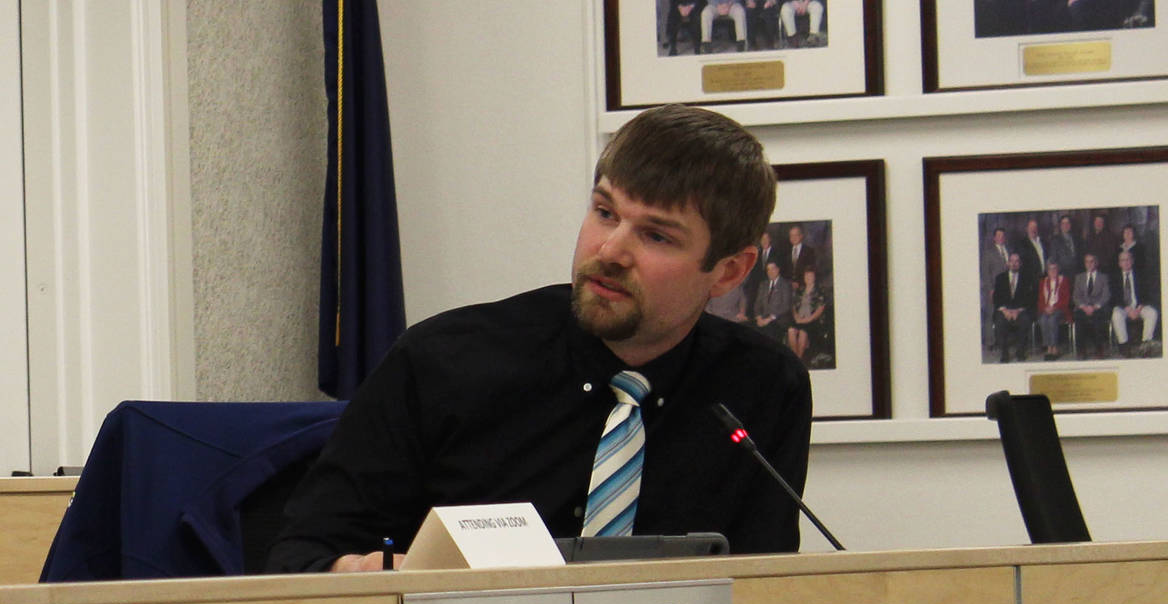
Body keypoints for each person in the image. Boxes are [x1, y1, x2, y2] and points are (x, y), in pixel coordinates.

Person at [265, 103, 812, 572]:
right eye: (604, 212)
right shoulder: (443, 362)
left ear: (730, 271)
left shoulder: (764, 386)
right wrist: (356, 569)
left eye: (656, 236)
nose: (610, 251)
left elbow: (766, 591)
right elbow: (299, 555)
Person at [1110, 250, 1160, 352]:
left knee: (1152, 312)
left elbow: (1147, 294)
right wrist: (1127, 309)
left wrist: (1139, 308)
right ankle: (1124, 345)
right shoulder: (1114, 277)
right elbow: (1114, 298)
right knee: (1116, 314)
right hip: (1123, 307)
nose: (1126, 262)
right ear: (1119, 263)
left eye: (1128, 259)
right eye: (1123, 260)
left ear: (1132, 261)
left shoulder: (1141, 275)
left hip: (1139, 306)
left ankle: (1146, 343)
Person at [991, 252, 1033, 363]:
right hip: (1004, 310)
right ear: (1008, 263)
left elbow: (1029, 298)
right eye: (1012, 261)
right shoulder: (1000, 278)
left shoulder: (1026, 278)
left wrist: (1017, 311)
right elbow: (996, 298)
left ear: (1020, 264)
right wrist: (1004, 310)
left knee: (1025, 320)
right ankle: (1004, 353)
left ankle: (1020, 352)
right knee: (999, 321)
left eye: (1017, 261)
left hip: (1019, 310)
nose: (1014, 264)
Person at [1073, 253, 1112, 358]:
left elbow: (1106, 295)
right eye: (1087, 262)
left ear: (1096, 263)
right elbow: (1076, 296)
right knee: (1079, 317)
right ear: (1084, 264)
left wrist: (1094, 307)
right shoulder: (1079, 277)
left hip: (1098, 307)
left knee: (1098, 318)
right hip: (1083, 307)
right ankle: (1081, 351)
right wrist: (1084, 307)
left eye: (1092, 261)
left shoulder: (1103, 277)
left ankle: (1099, 349)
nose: (1089, 264)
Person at [790, 268, 829, 365]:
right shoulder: (800, 289)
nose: (808, 278)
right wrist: (796, 317)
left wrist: (806, 320)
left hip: (813, 320)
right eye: (806, 276)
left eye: (810, 276)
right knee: (791, 330)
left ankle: (798, 361)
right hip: (799, 318)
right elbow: (793, 307)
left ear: (814, 278)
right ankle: (795, 358)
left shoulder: (820, 291)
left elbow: (819, 311)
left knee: (803, 332)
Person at [751, 260, 793, 345]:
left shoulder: (785, 284)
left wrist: (769, 319)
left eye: (773, 269)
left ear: (778, 269)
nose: (770, 272)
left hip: (779, 319)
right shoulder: (763, 284)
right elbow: (757, 303)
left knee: (769, 332)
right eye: (768, 269)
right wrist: (758, 317)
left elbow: (786, 306)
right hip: (763, 318)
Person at [1037, 259, 1071, 359]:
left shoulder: (1063, 280)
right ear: (1047, 271)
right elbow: (1040, 299)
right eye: (1050, 269)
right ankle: (1048, 348)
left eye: (1054, 269)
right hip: (1046, 309)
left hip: (1060, 308)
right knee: (1043, 320)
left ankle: (1055, 348)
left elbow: (1066, 299)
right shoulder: (1043, 282)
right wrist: (1045, 308)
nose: (1052, 271)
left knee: (1052, 320)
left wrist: (1054, 307)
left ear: (1058, 269)